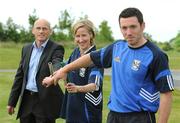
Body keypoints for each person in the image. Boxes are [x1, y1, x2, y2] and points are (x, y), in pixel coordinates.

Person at [43, 7, 174, 123]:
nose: (128, 32)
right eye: (124, 28)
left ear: (142, 26)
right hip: (114, 115)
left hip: (140, 117)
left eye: (133, 27)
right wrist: (63, 70)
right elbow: (90, 58)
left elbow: (166, 94)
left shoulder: (157, 55)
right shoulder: (117, 47)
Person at [7, 19, 64, 123]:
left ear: (50, 31)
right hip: (26, 101)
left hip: (45, 101)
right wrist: (12, 102)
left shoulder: (56, 48)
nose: (41, 31)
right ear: (33, 30)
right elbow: (20, 76)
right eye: (38, 28)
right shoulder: (26, 48)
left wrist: (55, 72)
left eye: (44, 28)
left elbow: (57, 62)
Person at [60, 19, 103, 123]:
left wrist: (78, 88)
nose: (80, 39)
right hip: (72, 106)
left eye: (84, 35)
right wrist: (56, 76)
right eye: (77, 36)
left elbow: (94, 85)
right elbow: (66, 69)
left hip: (88, 109)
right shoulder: (75, 52)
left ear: (91, 35)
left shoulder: (96, 57)